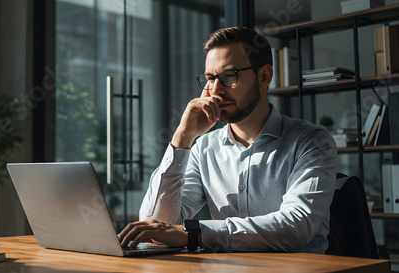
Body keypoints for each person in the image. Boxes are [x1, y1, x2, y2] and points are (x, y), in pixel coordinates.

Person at [118, 26, 337, 254]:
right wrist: (182, 138)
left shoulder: (312, 142)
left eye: (228, 76)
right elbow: (155, 224)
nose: (215, 90)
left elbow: (294, 230)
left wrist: (192, 234)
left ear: (264, 76)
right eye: (210, 78)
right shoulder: (203, 147)